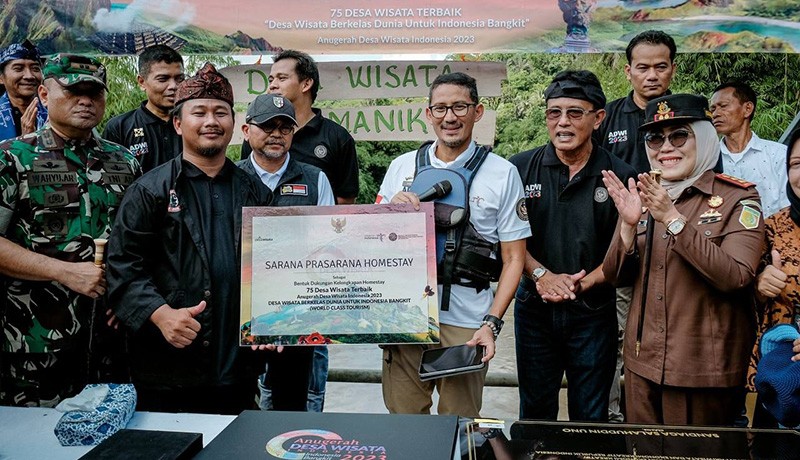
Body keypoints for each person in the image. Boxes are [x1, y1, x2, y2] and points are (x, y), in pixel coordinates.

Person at [106, 63, 274, 415]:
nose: (211, 121)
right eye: (199, 112)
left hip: (237, 366)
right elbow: (123, 267)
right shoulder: (149, 191)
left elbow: (271, 269)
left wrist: (272, 319)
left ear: (233, 124)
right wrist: (159, 313)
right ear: (179, 124)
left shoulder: (254, 191)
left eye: (221, 112)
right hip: (168, 367)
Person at [602, 94, 764, 426]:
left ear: (703, 138)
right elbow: (615, 275)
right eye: (655, 138)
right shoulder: (645, 195)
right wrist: (629, 228)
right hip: (642, 365)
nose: (665, 148)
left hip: (702, 370)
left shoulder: (738, 197)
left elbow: (735, 276)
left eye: (679, 136)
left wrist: (674, 218)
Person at [376, 72, 529, 417]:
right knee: (405, 426)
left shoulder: (502, 173)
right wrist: (390, 215)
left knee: (460, 428)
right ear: (428, 114)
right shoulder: (401, 167)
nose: (450, 117)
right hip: (406, 318)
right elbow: (374, 249)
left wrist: (491, 324)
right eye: (441, 108)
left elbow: (514, 259)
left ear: (478, 111)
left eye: (460, 106)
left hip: (468, 322)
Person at [0, 54, 140, 407]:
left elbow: (140, 242)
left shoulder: (124, 162)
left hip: (110, 342)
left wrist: (130, 296)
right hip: (32, 343)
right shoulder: (12, 157)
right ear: (44, 96)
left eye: (94, 93)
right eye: (74, 91)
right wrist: (63, 271)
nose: (86, 101)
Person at [509, 70, 636, 422]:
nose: (562, 122)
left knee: (591, 414)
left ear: (598, 118)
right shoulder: (518, 169)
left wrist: (583, 282)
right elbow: (507, 241)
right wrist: (541, 275)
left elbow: (623, 251)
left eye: (575, 113)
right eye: (554, 112)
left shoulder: (620, 175)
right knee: (534, 411)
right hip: (534, 307)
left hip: (594, 310)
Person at [594, 29, 676, 422]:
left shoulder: (686, 116)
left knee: (668, 333)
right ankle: (613, 418)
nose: (652, 75)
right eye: (643, 67)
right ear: (628, 71)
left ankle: (664, 418)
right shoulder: (606, 117)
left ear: (672, 69)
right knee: (618, 334)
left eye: (660, 66)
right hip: (622, 246)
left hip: (676, 247)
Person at [237, 93, 335, 411]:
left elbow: (329, 251)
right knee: (236, 404)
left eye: (285, 127)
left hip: (297, 317)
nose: (277, 133)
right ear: (246, 130)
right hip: (238, 315)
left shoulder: (315, 179)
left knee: (291, 408)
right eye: (267, 125)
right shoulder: (228, 177)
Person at [241, 50, 359, 204]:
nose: (272, 86)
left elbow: (345, 202)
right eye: (271, 80)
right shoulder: (257, 136)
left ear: (306, 84)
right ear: (246, 131)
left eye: (282, 78)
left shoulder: (337, 137)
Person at [746, 128, 800, 427]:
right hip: (780, 380)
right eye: (796, 164)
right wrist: (759, 286)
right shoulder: (773, 227)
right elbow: (738, 294)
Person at [711, 80, 788, 218]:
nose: (716, 114)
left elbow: (788, 208)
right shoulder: (708, 159)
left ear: (747, 109)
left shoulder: (779, 155)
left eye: (723, 106)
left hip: (774, 236)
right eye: (713, 109)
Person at [102, 44, 184, 173]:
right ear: (142, 82)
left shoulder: (192, 123)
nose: (173, 86)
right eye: (163, 79)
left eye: (180, 79)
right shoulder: (120, 127)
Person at [0, 39, 48, 141]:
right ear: (1, 78)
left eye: (35, 69)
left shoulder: (55, 112)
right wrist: (26, 141)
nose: (29, 76)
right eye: (18, 68)